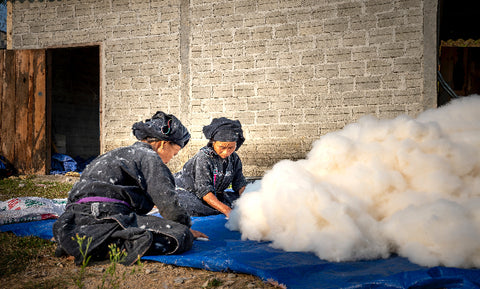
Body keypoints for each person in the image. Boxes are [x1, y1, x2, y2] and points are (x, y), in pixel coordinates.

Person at [53, 111, 207, 266]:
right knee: (180, 236)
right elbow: (169, 205)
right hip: (105, 214)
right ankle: (99, 246)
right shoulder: (149, 157)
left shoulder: (114, 153)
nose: (171, 158)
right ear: (163, 144)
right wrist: (185, 228)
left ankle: (80, 238)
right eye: (174, 153)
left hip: (73, 217)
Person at [174, 117, 247, 218]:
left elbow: (239, 183)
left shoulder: (234, 158)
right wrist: (227, 211)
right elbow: (205, 192)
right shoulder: (204, 158)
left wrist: (248, 200)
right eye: (222, 147)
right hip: (186, 191)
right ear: (213, 142)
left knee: (238, 200)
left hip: (213, 193)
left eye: (231, 147)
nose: (226, 152)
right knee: (191, 205)